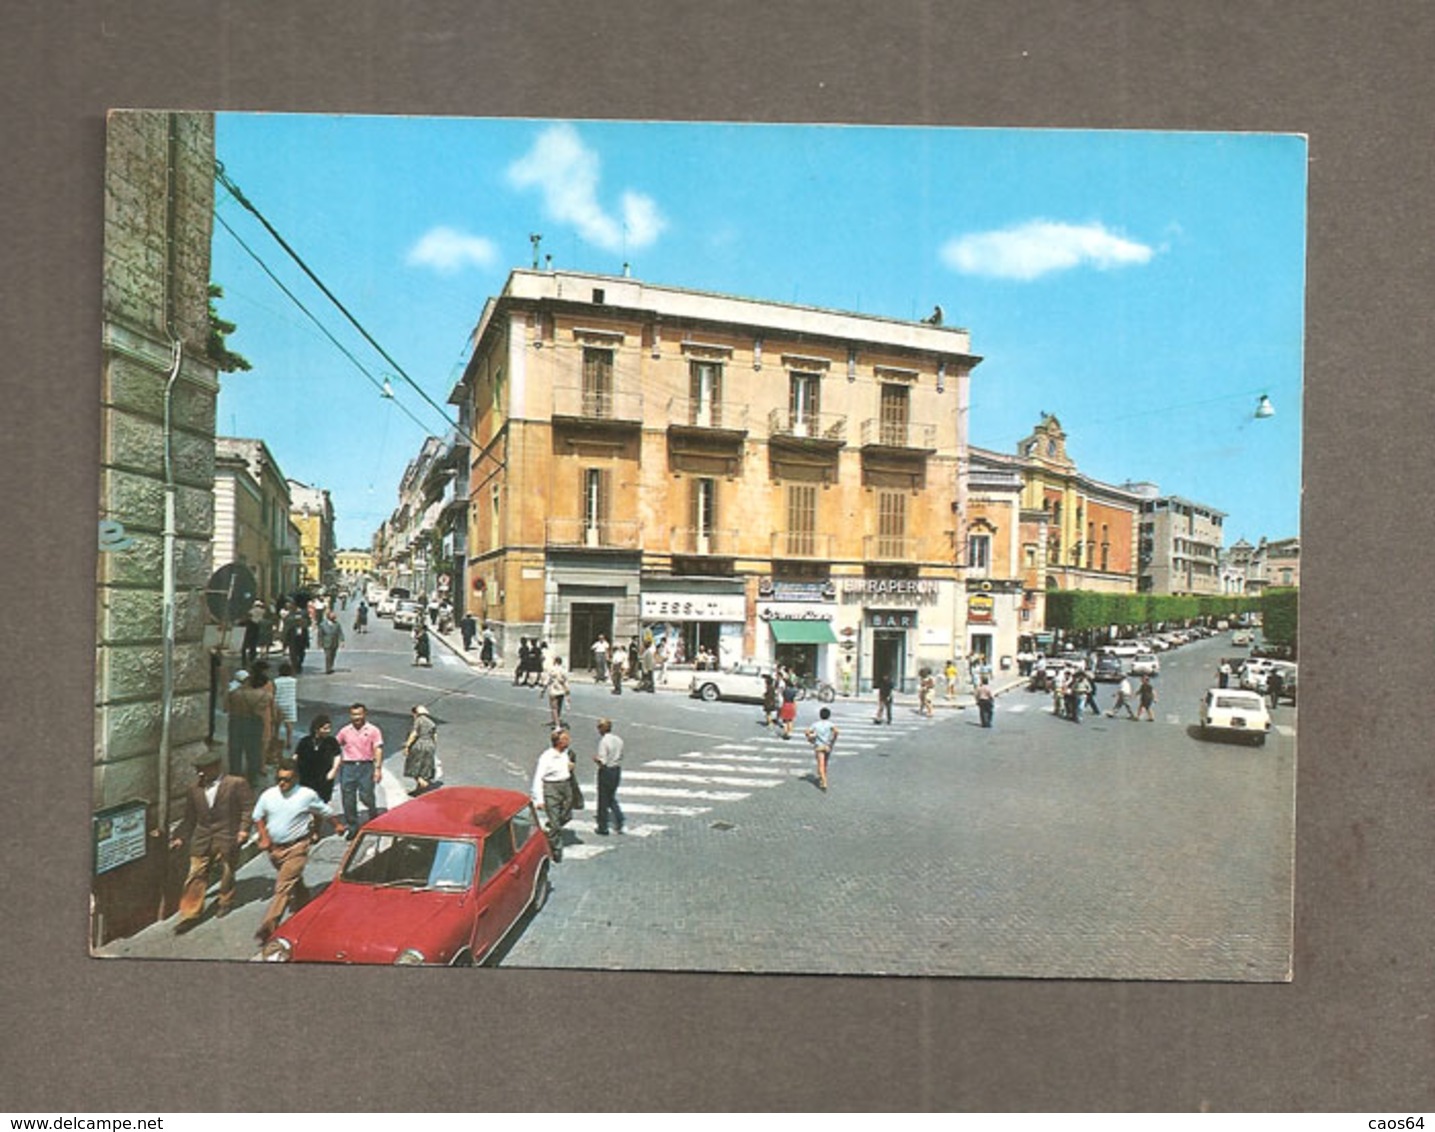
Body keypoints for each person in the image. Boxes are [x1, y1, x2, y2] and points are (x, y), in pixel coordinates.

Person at [252, 757, 336, 943]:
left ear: (296, 778)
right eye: (279, 779)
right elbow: (257, 816)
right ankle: (305, 906)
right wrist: (264, 836)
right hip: (274, 849)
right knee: (292, 881)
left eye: (287, 780)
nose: (282, 783)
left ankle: (268, 927)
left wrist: (337, 825)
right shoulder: (268, 795)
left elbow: (325, 811)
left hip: (297, 847)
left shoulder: (306, 795)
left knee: (282, 887)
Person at [169, 748, 254, 932]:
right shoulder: (194, 789)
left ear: (217, 767)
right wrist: (180, 837)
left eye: (204, 768)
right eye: (198, 769)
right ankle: (190, 914)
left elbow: (247, 809)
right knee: (196, 874)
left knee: (227, 871)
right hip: (202, 838)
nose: (200, 773)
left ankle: (225, 900)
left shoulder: (236, 783)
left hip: (228, 835)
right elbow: (189, 818)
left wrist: (243, 831)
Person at [333, 702, 384, 837]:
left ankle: (372, 813)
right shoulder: (345, 731)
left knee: (366, 795)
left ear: (365, 714)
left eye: (359, 714)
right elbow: (334, 745)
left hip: (366, 766)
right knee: (348, 798)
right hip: (348, 767)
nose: (357, 717)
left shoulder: (373, 730)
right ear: (350, 715)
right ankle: (353, 826)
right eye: (354, 714)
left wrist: (378, 769)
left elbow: (378, 749)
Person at [225, 667, 276, 785]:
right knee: (254, 752)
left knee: (235, 751)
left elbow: (226, 708)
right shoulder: (266, 696)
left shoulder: (235, 694)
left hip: (236, 722)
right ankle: (252, 779)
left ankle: (234, 776)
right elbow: (273, 715)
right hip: (254, 723)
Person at [532, 729, 577, 861]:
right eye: (565, 739)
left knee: (567, 816)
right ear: (558, 742)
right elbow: (538, 778)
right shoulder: (546, 757)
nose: (569, 741)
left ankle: (550, 828)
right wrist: (539, 799)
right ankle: (556, 850)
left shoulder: (566, 753)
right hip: (551, 788)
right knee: (556, 823)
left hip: (566, 786)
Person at [294, 714, 339, 803]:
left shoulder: (331, 742)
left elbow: (337, 755)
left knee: (322, 801)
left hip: (324, 777)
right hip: (306, 777)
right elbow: (296, 756)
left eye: (329, 728)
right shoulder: (305, 741)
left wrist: (334, 770)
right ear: (316, 729)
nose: (328, 731)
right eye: (325, 728)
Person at [592, 718, 625, 835]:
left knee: (603, 799)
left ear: (601, 728)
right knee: (611, 797)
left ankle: (603, 826)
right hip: (616, 770)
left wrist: (596, 759)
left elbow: (603, 761)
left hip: (606, 771)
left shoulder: (604, 742)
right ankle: (619, 818)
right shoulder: (618, 739)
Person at [401, 704, 438, 795]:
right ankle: (418, 791)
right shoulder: (431, 723)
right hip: (430, 745)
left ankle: (422, 782)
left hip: (419, 744)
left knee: (413, 765)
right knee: (424, 766)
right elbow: (435, 737)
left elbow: (414, 734)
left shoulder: (419, 721)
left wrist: (407, 745)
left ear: (415, 713)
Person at [804, 707, 838, 792]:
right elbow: (836, 731)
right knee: (825, 763)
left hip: (819, 746)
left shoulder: (816, 724)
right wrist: (833, 740)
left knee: (820, 764)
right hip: (827, 746)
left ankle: (824, 781)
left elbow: (807, 732)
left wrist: (810, 738)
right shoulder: (830, 724)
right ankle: (823, 776)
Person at [271, 661, 298, 750]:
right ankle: (289, 741)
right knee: (289, 725)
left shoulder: (275, 681)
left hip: (278, 704)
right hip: (290, 704)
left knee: (277, 724)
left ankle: (275, 739)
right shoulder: (294, 681)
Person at [544, 655, 571, 728]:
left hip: (553, 690)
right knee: (559, 707)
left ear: (555, 661)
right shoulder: (563, 670)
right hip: (561, 690)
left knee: (554, 708)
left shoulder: (551, 669)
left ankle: (557, 725)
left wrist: (543, 690)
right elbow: (566, 681)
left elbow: (547, 681)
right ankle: (557, 720)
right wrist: (567, 692)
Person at [317, 608, 345, 674]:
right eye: (332, 615)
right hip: (326, 642)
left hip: (334, 642)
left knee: (333, 655)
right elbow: (320, 635)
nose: (334, 617)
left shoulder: (337, 624)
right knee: (328, 656)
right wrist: (319, 643)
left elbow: (340, 633)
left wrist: (342, 641)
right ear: (328, 616)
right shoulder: (322, 625)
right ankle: (328, 668)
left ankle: (331, 666)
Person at [283, 604, 309, 674]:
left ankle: (299, 664)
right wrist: (285, 643)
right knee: (293, 655)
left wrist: (307, 643)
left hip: (301, 643)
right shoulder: (291, 626)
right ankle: (295, 667)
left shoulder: (303, 627)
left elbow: (306, 635)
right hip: (293, 643)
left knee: (301, 655)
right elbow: (287, 634)